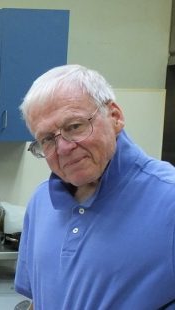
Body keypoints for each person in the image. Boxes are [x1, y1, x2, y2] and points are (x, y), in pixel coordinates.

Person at [14, 64, 175, 308]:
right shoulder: (41, 203)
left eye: (75, 126)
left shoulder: (168, 199)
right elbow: (37, 301)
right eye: (47, 139)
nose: (63, 148)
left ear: (115, 116)